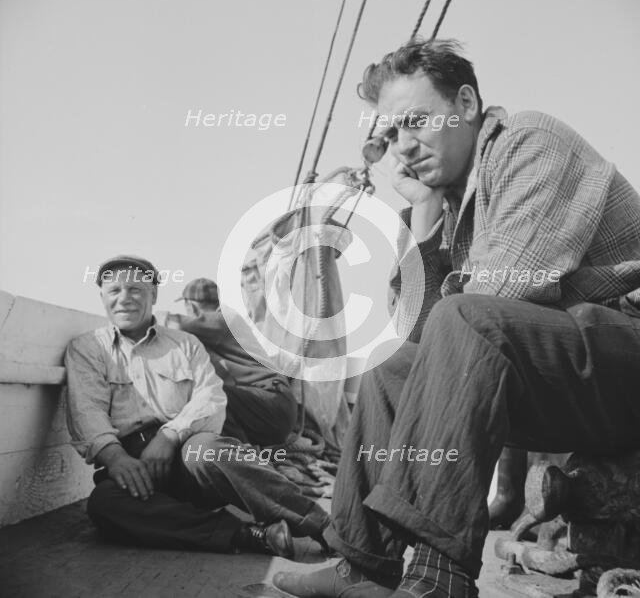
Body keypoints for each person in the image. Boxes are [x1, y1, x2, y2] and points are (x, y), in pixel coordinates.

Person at [273, 39, 640, 597]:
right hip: (566, 381)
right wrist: (422, 214)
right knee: (393, 367)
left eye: (415, 120)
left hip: (623, 362)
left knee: (466, 317)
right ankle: (362, 564)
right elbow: (421, 346)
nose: (403, 146)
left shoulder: (531, 142)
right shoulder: (452, 203)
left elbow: (500, 296)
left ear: (465, 103)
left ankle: (438, 575)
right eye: (391, 134)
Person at [65, 255, 329, 559]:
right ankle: (253, 536)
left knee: (209, 450)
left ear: (153, 295)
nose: (124, 299)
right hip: (132, 464)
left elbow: (211, 396)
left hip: (188, 453)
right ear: (102, 297)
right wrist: (116, 459)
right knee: (105, 504)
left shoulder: (186, 343)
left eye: (136, 289)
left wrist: (169, 436)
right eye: (114, 291)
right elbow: (87, 410)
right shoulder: (87, 348)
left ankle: (323, 526)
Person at [163, 277, 298, 447]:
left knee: (205, 395)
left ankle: (237, 450)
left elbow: (173, 325)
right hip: (269, 407)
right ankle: (242, 446)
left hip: (271, 405)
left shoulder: (223, 320)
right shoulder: (225, 322)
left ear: (191, 306)